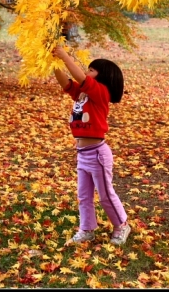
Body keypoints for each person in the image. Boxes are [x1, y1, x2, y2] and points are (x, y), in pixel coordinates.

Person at [52, 46, 130, 245]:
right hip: (82, 153)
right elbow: (66, 82)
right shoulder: (82, 94)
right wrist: (53, 62)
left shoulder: (100, 92)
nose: (87, 72)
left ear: (103, 76)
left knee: (105, 195)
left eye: (92, 70)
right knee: (84, 195)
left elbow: (80, 78)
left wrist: (65, 56)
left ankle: (121, 225)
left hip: (97, 154)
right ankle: (86, 229)